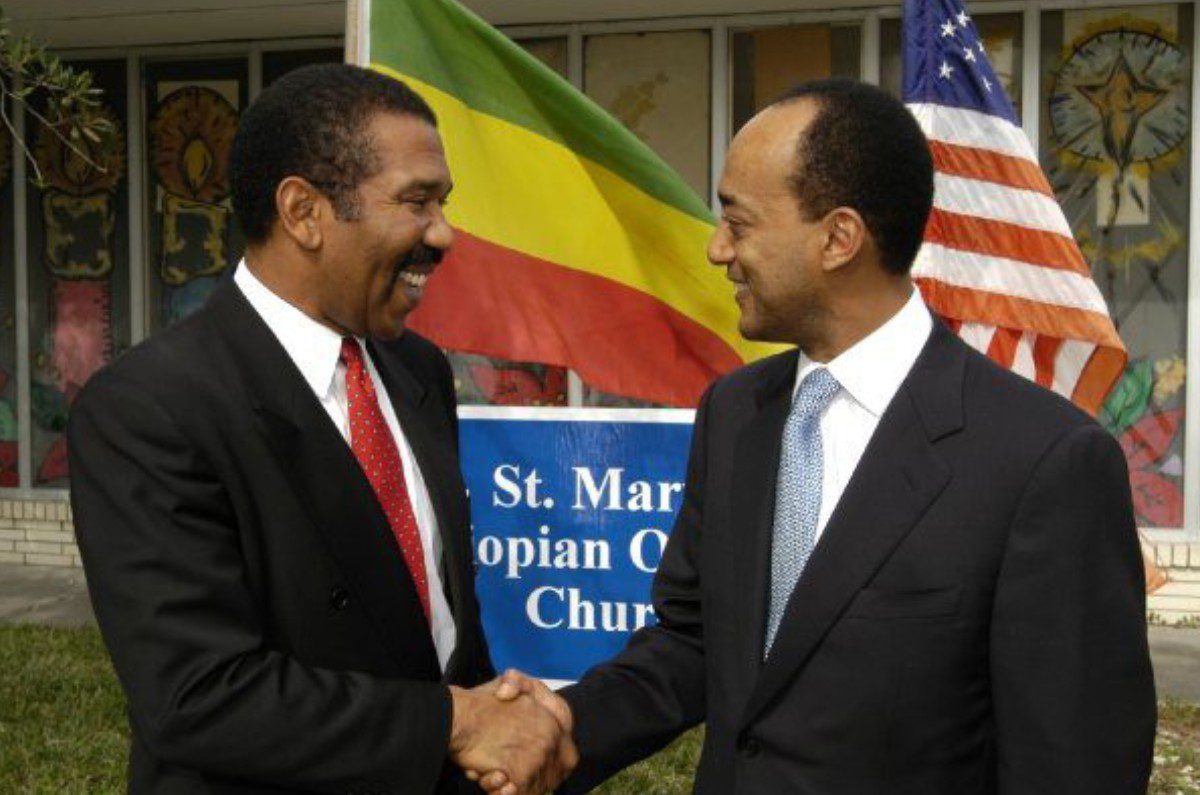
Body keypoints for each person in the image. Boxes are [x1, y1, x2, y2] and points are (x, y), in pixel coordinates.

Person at [485, 78, 1156, 794]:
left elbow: (1075, 765)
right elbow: (696, 641)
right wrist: (558, 729)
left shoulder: (1043, 462)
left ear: (839, 237)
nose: (717, 250)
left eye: (738, 223)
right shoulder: (734, 414)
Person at [67, 63, 573, 795]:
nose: (445, 233)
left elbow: (433, 614)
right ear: (304, 212)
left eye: (445, 202)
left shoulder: (417, 370)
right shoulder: (149, 408)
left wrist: (493, 717)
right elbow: (198, 694)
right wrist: (454, 723)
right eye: (417, 202)